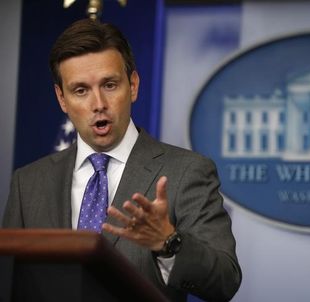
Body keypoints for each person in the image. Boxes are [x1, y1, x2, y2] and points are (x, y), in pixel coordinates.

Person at [2, 19, 241, 301]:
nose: (98, 103)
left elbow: (225, 281)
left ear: (133, 85)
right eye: (81, 90)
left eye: (110, 85)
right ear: (62, 99)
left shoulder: (187, 172)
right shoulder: (27, 182)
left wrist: (168, 243)